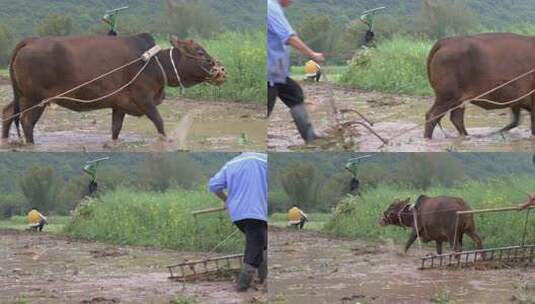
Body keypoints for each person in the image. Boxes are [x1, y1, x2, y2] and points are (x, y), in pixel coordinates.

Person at [267, 0, 325, 144]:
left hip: (277, 72)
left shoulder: (273, 7)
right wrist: (312, 54)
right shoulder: (270, 7)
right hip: (268, 73)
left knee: (295, 94)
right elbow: (289, 37)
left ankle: (310, 137)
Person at [208, 152, 268, 292]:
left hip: (238, 215)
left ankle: (264, 280)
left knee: (262, 244)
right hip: (256, 212)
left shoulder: (230, 164)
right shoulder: (263, 159)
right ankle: (241, 289)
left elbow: (214, 185)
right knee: (254, 248)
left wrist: (227, 200)